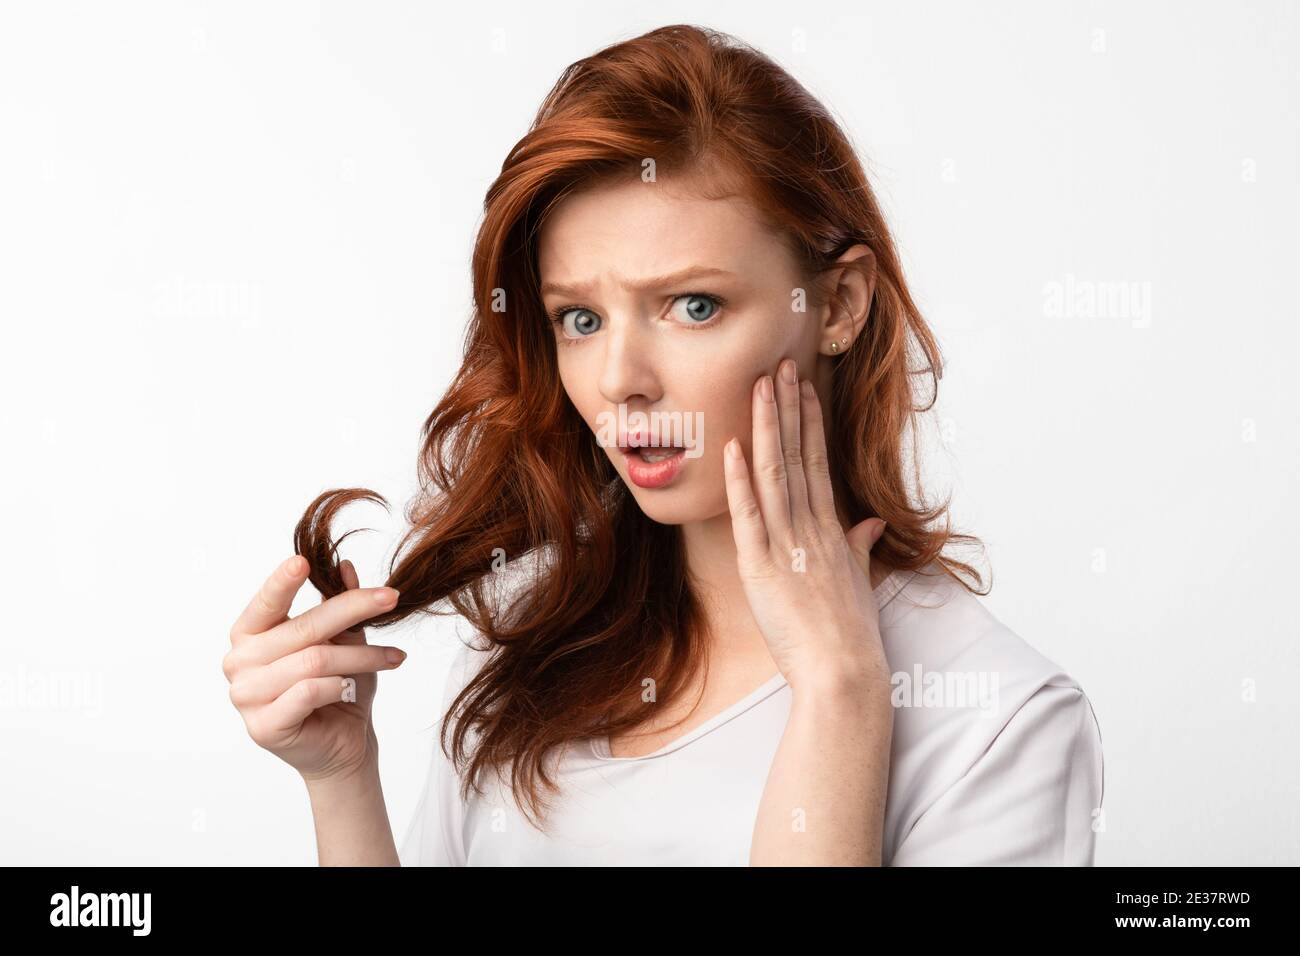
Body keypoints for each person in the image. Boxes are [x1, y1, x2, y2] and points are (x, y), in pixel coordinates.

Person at [223, 23, 1104, 866]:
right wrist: (340, 779)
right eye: (579, 317)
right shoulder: (533, 643)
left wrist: (841, 695)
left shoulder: (995, 722)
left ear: (835, 306)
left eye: (693, 305)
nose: (618, 379)